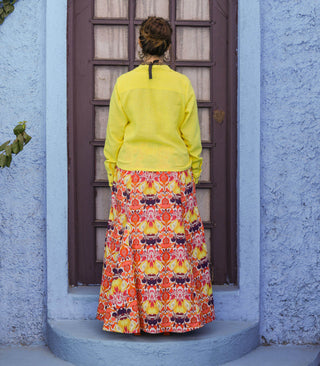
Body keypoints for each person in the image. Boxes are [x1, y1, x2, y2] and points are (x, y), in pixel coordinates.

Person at [96, 16, 215, 335]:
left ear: (140, 43)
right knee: (172, 253)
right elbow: (193, 143)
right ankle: (176, 318)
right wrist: (189, 179)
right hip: (173, 179)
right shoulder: (182, 85)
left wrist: (116, 180)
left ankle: (130, 318)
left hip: (132, 180)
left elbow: (113, 140)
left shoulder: (124, 84)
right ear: (168, 46)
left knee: (134, 252)